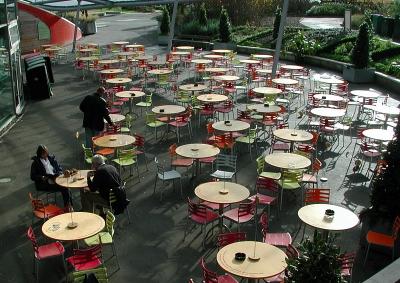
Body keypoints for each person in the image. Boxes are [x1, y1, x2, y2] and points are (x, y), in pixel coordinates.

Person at [30, 145, 72, 209]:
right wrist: (41, 177)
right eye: (45, 153)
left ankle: (69, 206)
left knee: (67, 185)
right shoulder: (36, 163)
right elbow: (32, 176)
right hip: (45, 183)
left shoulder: (51, 158)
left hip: (55, 179)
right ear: (41, 154)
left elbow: (59, 168)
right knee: (65, 188)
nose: (47, 154)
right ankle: (68, 208)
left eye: (47, 152)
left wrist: (59, 173)